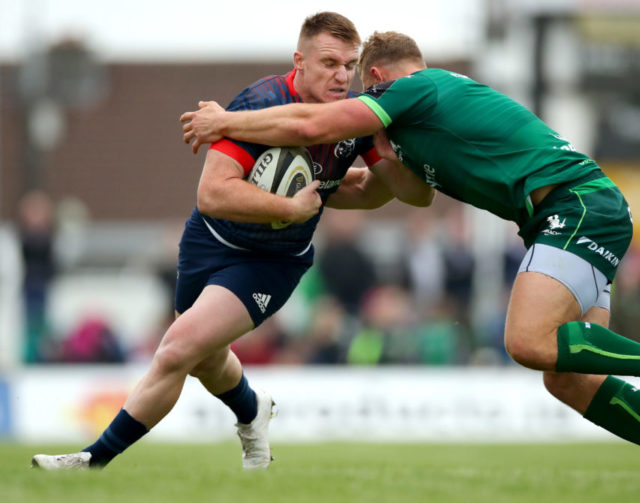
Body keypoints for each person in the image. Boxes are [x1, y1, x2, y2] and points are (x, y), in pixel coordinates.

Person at [179, 31, 640, 474]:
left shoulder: (413, 89)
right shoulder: (421, 126)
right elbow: (411, 195)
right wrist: (345, 173)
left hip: (576, 207)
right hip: (578, 213)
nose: (352, 93)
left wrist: (224, 122)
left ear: (376, 78)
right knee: (568, 376)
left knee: (525, 340)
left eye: (359, 84)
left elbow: (311, 122)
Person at [31, 14, 432, 471]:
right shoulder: (261, 102)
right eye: (329, 63)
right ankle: (252, 410)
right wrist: (289, 207)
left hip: (272, 260)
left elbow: (384, 191)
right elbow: (213, 193)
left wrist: (397, 153)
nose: (342, 75)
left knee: (178, 348)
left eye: (349, 64)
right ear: (299, 62)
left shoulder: (356, 119)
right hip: (209, 239)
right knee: (203, 359)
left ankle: (91, 461)